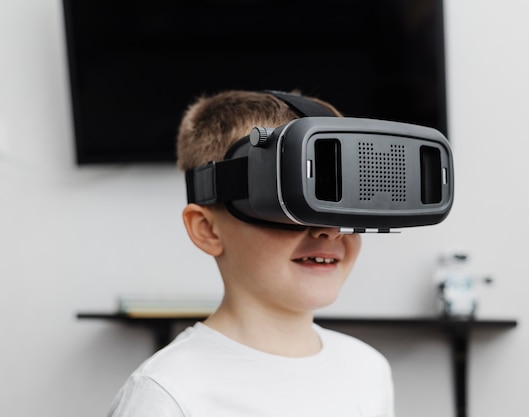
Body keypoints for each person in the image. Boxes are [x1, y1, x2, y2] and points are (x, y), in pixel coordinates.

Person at [107, 90, 396, 417]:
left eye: (343, 206)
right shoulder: (168, 392)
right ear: (208, 230)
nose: (327, 230)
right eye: (288, 206)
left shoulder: (368, 369)